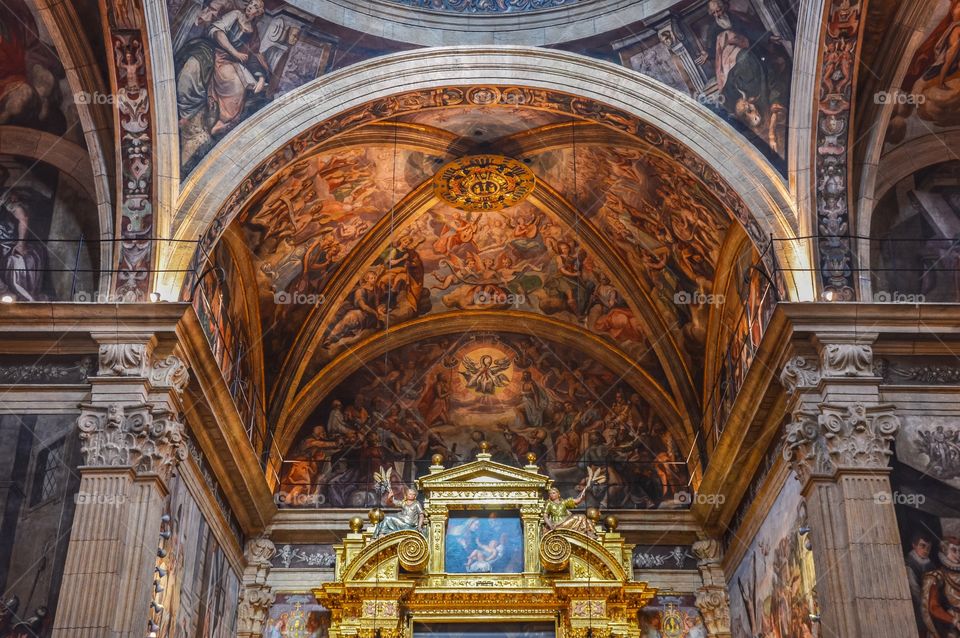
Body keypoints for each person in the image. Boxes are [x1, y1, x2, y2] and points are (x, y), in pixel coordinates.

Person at [922, 536, 960, 637]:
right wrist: (955, 621)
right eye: (954, 550)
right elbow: (933, 607)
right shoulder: (937, 576)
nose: (958, 554)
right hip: (948, 627)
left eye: (959, 550)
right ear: (944, 551)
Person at [908, 532, 936, 621]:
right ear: (914, 545)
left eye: (928, 548)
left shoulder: (931, 565)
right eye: (922, 546)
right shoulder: (909, 564)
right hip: (916, 605)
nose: (926, 550)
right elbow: (915, 589)